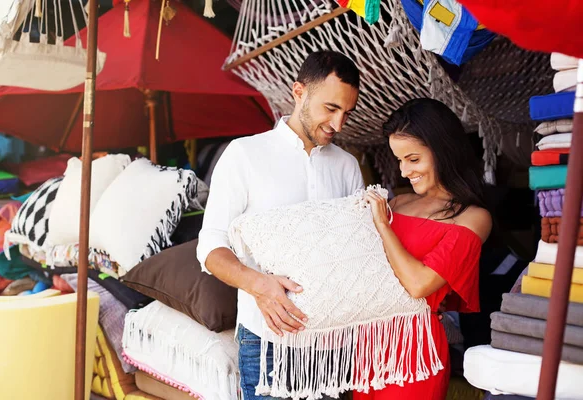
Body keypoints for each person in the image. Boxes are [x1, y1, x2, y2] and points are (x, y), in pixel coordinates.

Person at [196, 51, 365, 400]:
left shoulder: (347, 166)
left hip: (333, 343)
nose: (338, 124)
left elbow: (356, 251)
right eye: (330, 108)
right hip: (266, 341)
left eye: (346, 113)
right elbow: (210, 247)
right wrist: (260, 286)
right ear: (299, 92)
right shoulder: (244, 154)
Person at [356, 98, 492, 400]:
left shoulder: (473, 218)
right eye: (399, 160)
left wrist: (382, 225)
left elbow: (419, 284)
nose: (404, 171)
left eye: (413, 159)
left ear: (442, 151)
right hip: (369, 343)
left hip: (417, 352)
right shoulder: (398, 203)